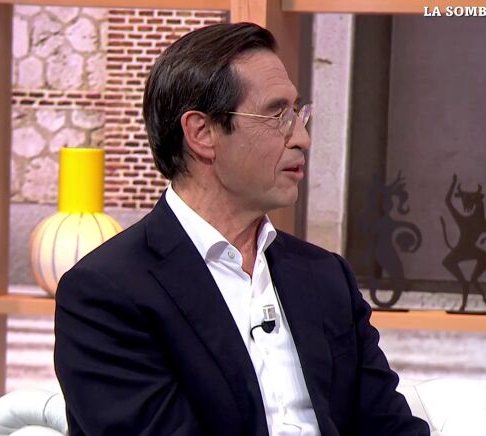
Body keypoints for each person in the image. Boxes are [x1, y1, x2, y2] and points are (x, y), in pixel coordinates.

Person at [54, 22, 430, 436]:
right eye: (278, 115)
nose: (302, 138)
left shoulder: (326, 277)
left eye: (298, 113)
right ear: (202, 133)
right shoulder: (106, 293)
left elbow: (391, 427)